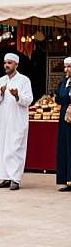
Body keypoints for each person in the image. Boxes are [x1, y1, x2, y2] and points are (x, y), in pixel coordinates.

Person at [0, 53, 33, 190]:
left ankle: (15, 179)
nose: (6, 65)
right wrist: (1, 93)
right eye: (5, 63)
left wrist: (17, 95)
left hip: (17, 120)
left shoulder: (24, 80)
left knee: (15, 149)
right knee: (3, 148)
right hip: (3, 121)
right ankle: (6, 177)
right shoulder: (1, 80)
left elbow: (29, 100)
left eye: (9, 63)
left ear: (16, 64)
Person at [55, 56, 71, 192]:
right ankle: (65, 180)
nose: (66, 69)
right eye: (65, 67)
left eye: (69, 67)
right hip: (64, 117)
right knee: (64, 146)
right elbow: (58, 98)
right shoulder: (63, 82)